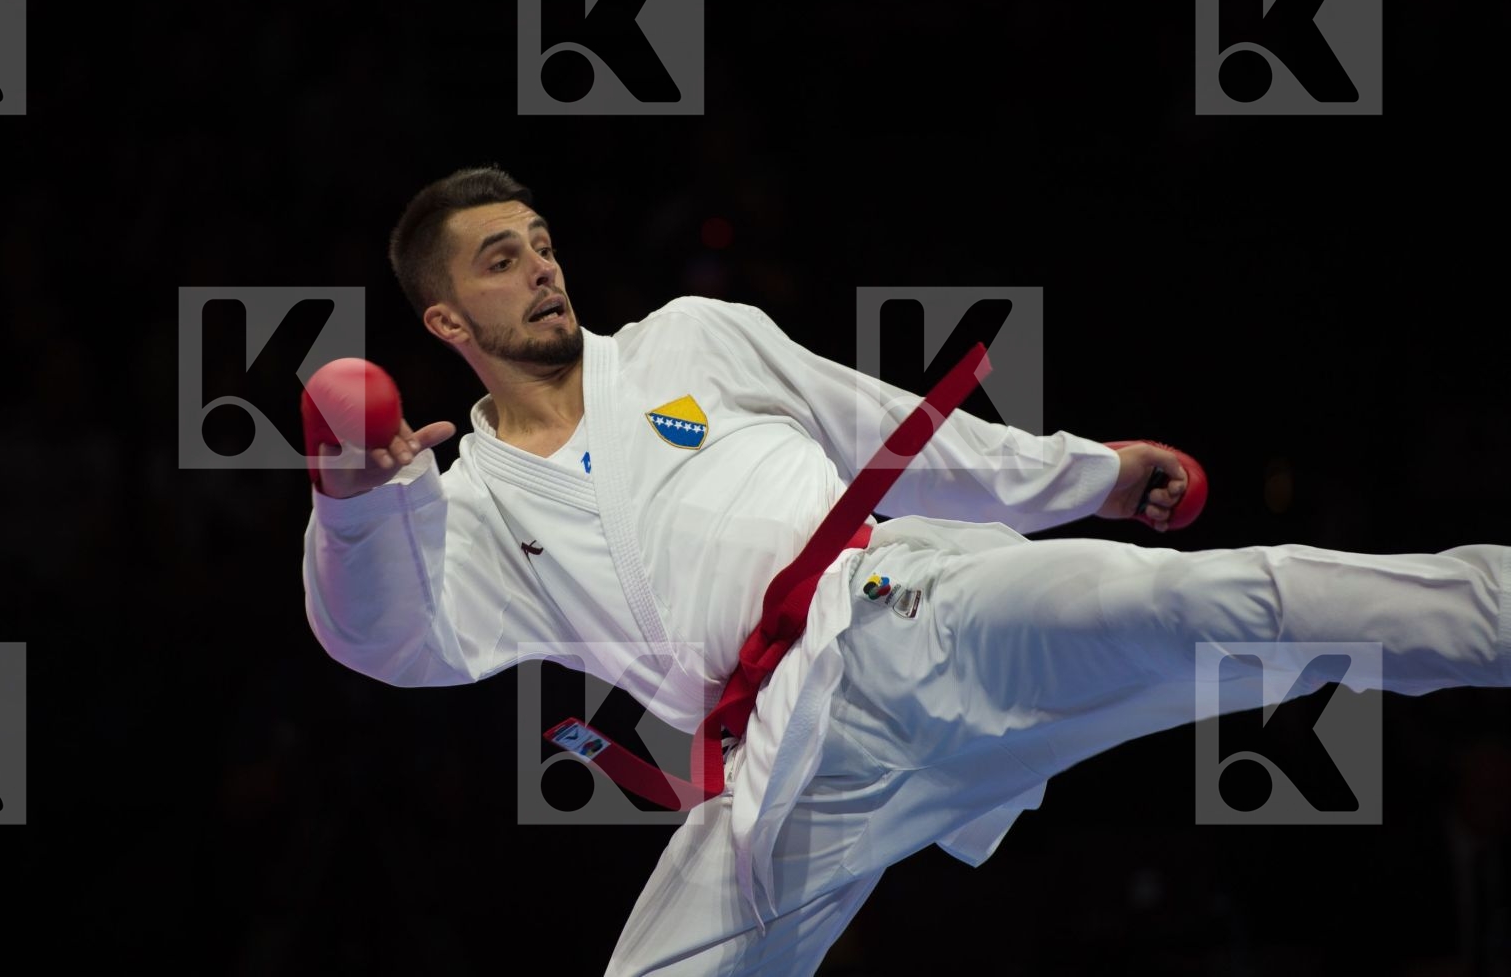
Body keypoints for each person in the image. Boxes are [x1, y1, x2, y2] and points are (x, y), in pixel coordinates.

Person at [302, 165, 1511, 975]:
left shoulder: (688, 340)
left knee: (1217, 602)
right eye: (504, 260)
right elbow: (395, 645)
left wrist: (1092, 473)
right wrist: (356, 502)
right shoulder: (457, 511)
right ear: (446, 321)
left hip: (907, 609)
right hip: (784, 773)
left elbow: (895, 432)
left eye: (544, 244)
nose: (544, 269)